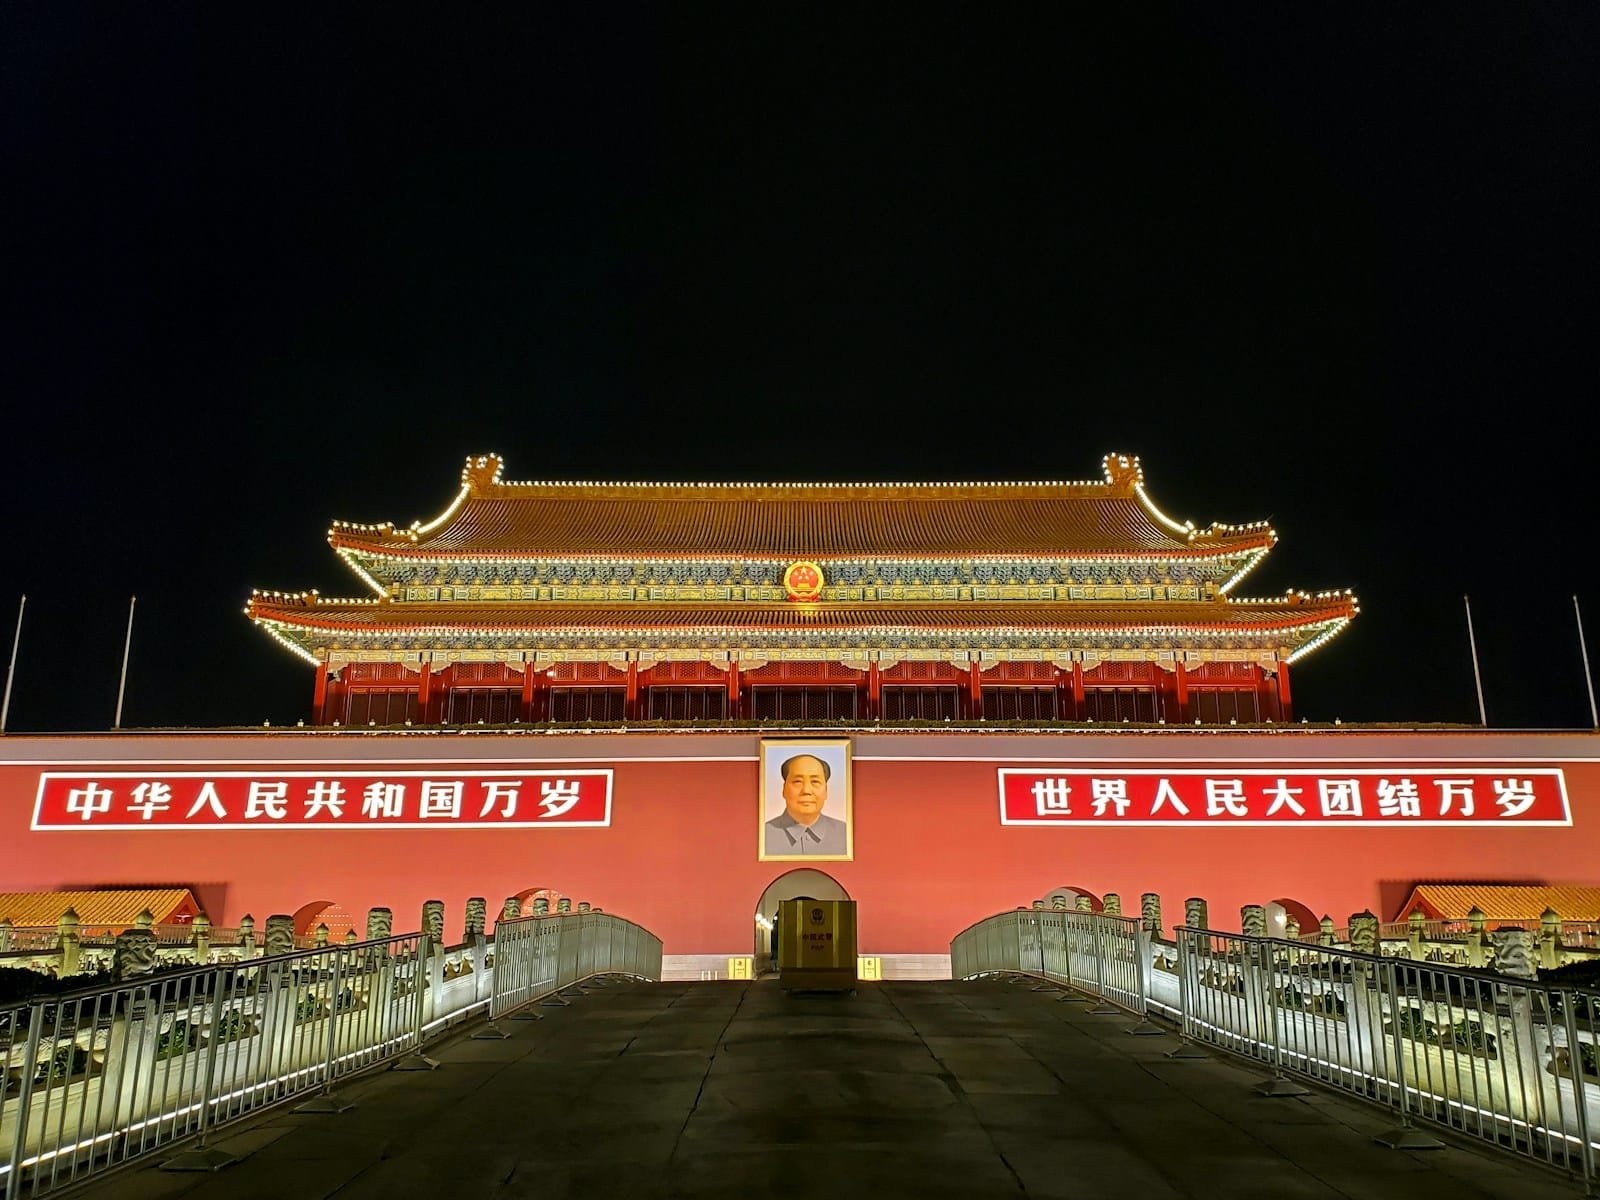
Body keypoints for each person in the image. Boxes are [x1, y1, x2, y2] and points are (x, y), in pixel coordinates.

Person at [764, 752, 848, 855]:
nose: (806, 790)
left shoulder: (846, 834)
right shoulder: (762, 836)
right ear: (784, 789)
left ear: (826, 790)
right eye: (797, 781)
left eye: (815, 782)